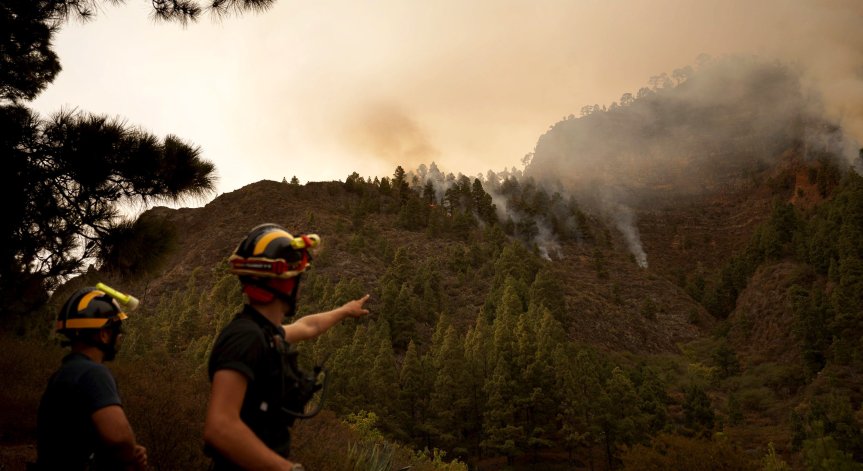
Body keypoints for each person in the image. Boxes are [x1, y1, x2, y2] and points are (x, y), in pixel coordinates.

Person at [204, 223, 370, 470]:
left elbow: (307, 327)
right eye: (297, 277)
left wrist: (345, 310)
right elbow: (220, 427)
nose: (300, 286)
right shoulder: (245, 338)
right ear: (283, 282)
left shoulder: (266, 334)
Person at [35, 285, 147, 470]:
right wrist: (131, 456)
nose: (119, 338)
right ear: (103, 335)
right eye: (116, 332)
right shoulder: (93, 373)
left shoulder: (63, 374)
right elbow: (119, 438)